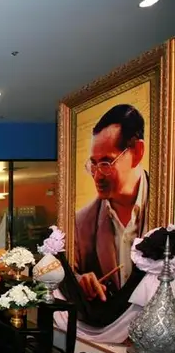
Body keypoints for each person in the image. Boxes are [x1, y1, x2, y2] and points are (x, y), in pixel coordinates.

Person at [76, 104, 148, 301]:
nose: (97, 175)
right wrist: (80, 282)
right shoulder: (81, 222)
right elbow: (65, 274)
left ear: (138, 152)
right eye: (94, 164)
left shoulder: (165, 207)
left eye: (106, 163)